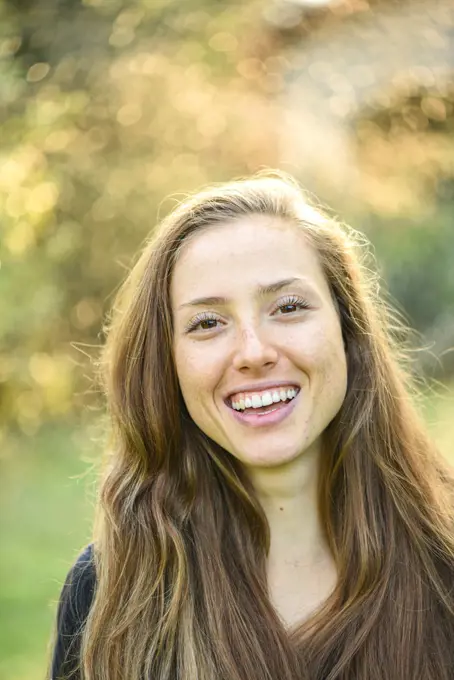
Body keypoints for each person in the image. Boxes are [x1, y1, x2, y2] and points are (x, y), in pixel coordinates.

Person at [49, 170, 454, 680]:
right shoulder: (108, 593)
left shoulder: (446, 560)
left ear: (348, 331)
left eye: (287, 307)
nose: (253, 352)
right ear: (167, 365)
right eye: (207, 323)